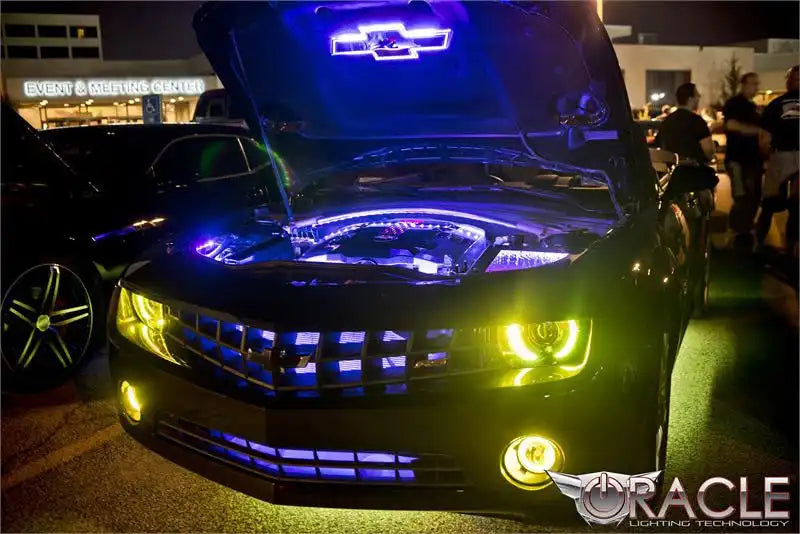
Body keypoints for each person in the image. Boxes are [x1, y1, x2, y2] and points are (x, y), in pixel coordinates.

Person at [756, 65, 799, 257]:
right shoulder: (775, 105)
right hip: (783, 157)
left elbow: (764, 139)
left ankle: (765, 244)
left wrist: (767, 155)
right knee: (784, 204)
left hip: (782, 157)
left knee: (775, 203)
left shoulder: (775, 104)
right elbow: (764, 137)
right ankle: (788, 248)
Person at [723, 72, 765, 249]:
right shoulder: (734, 104)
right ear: (744, 84)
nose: (756, 87)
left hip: (753, 160)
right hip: (738, 159)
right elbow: (731, 125)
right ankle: (735, 232)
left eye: (757, 84)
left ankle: (744, 232)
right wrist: (757, 131)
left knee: (753, 197)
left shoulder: (753, 107)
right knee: (741, 197)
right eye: (753, 84)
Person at [656, 83, 715, 163]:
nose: (699, 97)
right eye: (697, 95)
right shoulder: (697, 121)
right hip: (695, 168)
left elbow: (660, 146)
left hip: (671, 168)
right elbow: (708, 149)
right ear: (690, 99)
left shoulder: (666, 121)